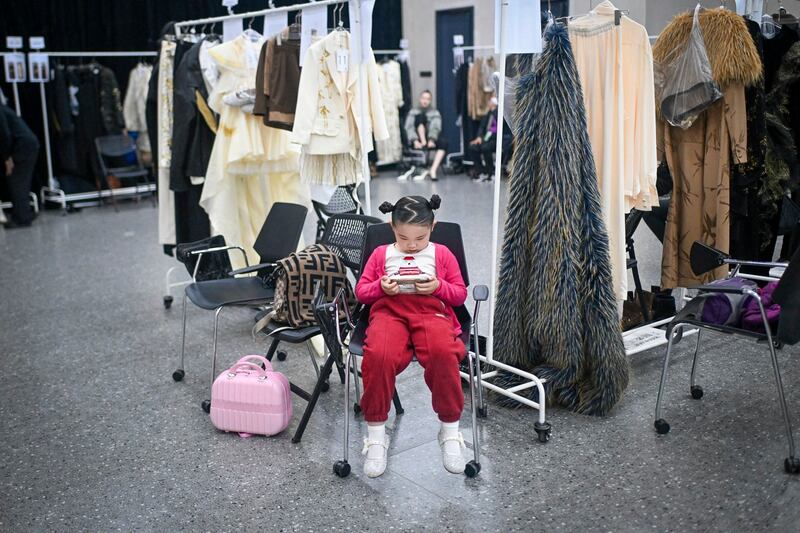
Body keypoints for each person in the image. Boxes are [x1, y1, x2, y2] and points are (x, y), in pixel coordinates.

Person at [355, 195, 468, 477]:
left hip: (431, 313)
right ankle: (376, 435)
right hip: (388, 313)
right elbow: (361, 292)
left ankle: (450, 430)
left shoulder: (441, 254)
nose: (413, 245)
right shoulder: (381, 254)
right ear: (392, 228)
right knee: (378, 356)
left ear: (433, 227)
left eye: (420, 238)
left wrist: (438, 286)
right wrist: (382, 287)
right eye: (404, 238)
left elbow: (460, 294)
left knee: (443, 353)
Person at [0, 102, 39, 228]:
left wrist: (7, 157)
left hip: (22, 145)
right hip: (26, 143)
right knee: (21, 180)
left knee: (17, 180)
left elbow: (4, 135)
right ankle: (24, 213)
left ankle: (22, 218)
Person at [401, 90, 448, 181]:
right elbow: (409, 127)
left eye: (427, 99)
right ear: (420, 99)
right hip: (416, 139)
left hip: (430, 137)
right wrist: (414, 140)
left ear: (430, 100)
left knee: (444, 142)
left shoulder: (435, 113)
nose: (425, 101)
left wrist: (432, 139)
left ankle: (433, 170)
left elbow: (436, 127)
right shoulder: (413, 112)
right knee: (420, 117)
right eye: (423, 98)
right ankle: (423, 141)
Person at [466, 96, 511, 182]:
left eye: (490, 101)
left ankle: (491, 172)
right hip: (485, 139)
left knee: (485, 148)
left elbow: (496, 130)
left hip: (495, 140)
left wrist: (483, 139)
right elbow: (482, 127)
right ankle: (481, 171)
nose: (488, 103)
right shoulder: (488, 114)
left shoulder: (500, 114)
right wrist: (479, 137)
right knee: (472, 147)